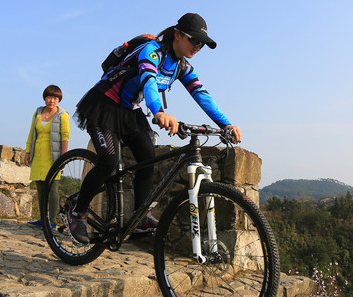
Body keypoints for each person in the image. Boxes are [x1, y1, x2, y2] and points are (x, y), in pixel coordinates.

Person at [67, 13, 241, 244]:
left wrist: (225, 124)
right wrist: (158, 111)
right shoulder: (151, 50)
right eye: (194, 40)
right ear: (178, 35)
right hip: (104, 104)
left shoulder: (182, 66)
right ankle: (77, 211)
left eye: (202, 44)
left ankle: (141, 217)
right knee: (108, 162)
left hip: (129, 109)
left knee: (148, 157)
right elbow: (149, 78)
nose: (198, 47)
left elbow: (201, 94)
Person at [25, 84, 70, 227]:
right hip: (38, 155)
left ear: (59, 100)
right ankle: (42, 219)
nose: (52, 100)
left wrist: (63, 157)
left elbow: (65, 137)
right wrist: (27, 152)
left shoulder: (62, 115)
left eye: (56, 98)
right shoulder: (38, 113)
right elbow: (32, 134)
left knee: (52, 189)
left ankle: (51, 222)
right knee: (40, 189)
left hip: (53, 157)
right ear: (45, 98)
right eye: (50, 97)